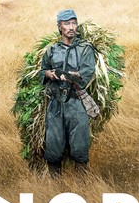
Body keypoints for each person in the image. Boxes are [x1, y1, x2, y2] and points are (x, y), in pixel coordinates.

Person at [39, 9, 96, 177]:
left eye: (74, 23)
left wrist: (69, 76)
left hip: (77, 102)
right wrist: (48, 74)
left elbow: (86, 74)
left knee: (80, 145)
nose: (71, 27)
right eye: (67, 24)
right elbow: (43, 70)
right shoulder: (51, 50)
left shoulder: (85, 49)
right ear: (59, 27)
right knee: (53, 146)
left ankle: (82, 185)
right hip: (56, 103)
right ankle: (54, 186)